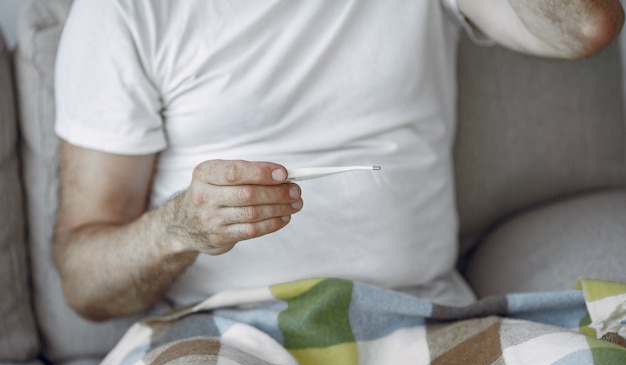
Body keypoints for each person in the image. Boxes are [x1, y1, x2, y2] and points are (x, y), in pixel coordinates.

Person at [53, 1, 622, 320]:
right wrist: (182, 227)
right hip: (228, 335)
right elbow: (84, 283)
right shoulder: (123, 12)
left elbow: (587, 26)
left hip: (426, 319)